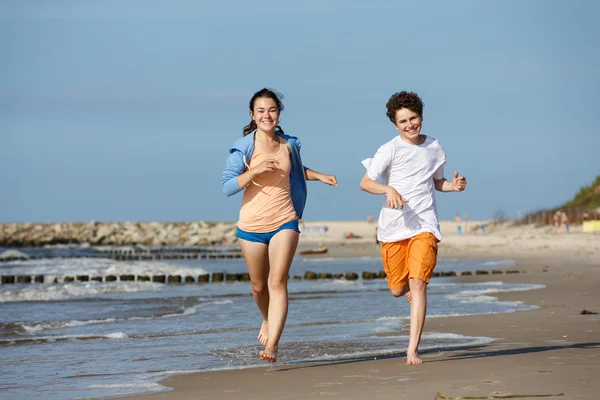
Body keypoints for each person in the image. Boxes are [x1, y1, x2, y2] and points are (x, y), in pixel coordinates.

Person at [222, 88, 337, 363]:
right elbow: (227, 187)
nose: (267, 115)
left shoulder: (289, 145)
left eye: (272, 110)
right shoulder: (243, 148)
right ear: (252, 114)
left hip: (284, 220)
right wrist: (255, 171)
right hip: (250, 226)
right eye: (261, 111)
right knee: (259, 287)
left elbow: (295, 170)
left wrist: (319, 176)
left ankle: (273, 343)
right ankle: (266, 319)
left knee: (278, 281)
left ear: (278, 113)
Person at [359, 91, 467, 365]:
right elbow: (365, 183)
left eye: (413, 118)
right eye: (403, 121)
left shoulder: (435, 148)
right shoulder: (389, 149)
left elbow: (436, 181)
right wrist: (388, 189)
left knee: (418, 284)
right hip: (394, 227)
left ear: (421, 115)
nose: (409, 124)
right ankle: (404, 288)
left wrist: (452, 186)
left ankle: (412, 349)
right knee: (398, 289)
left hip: (424, 224)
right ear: (395, 124)